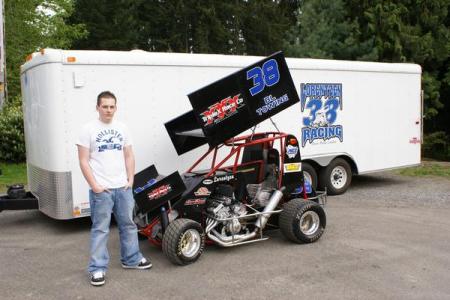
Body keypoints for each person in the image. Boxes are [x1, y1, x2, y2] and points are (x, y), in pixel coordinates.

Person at [77, 91, 151, 287]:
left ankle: (131, 259)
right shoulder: (88, 129)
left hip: (123, 187)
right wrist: (95, 186)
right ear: (97, 107)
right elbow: (83, 161)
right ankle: (97, 268)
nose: (108, 110)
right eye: (105, 106)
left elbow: (129, 155)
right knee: (100, 229)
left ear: (115, 108)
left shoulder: (122, 128)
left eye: (112, 107)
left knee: (128, 224)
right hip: (102, 190)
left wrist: (130, 180)